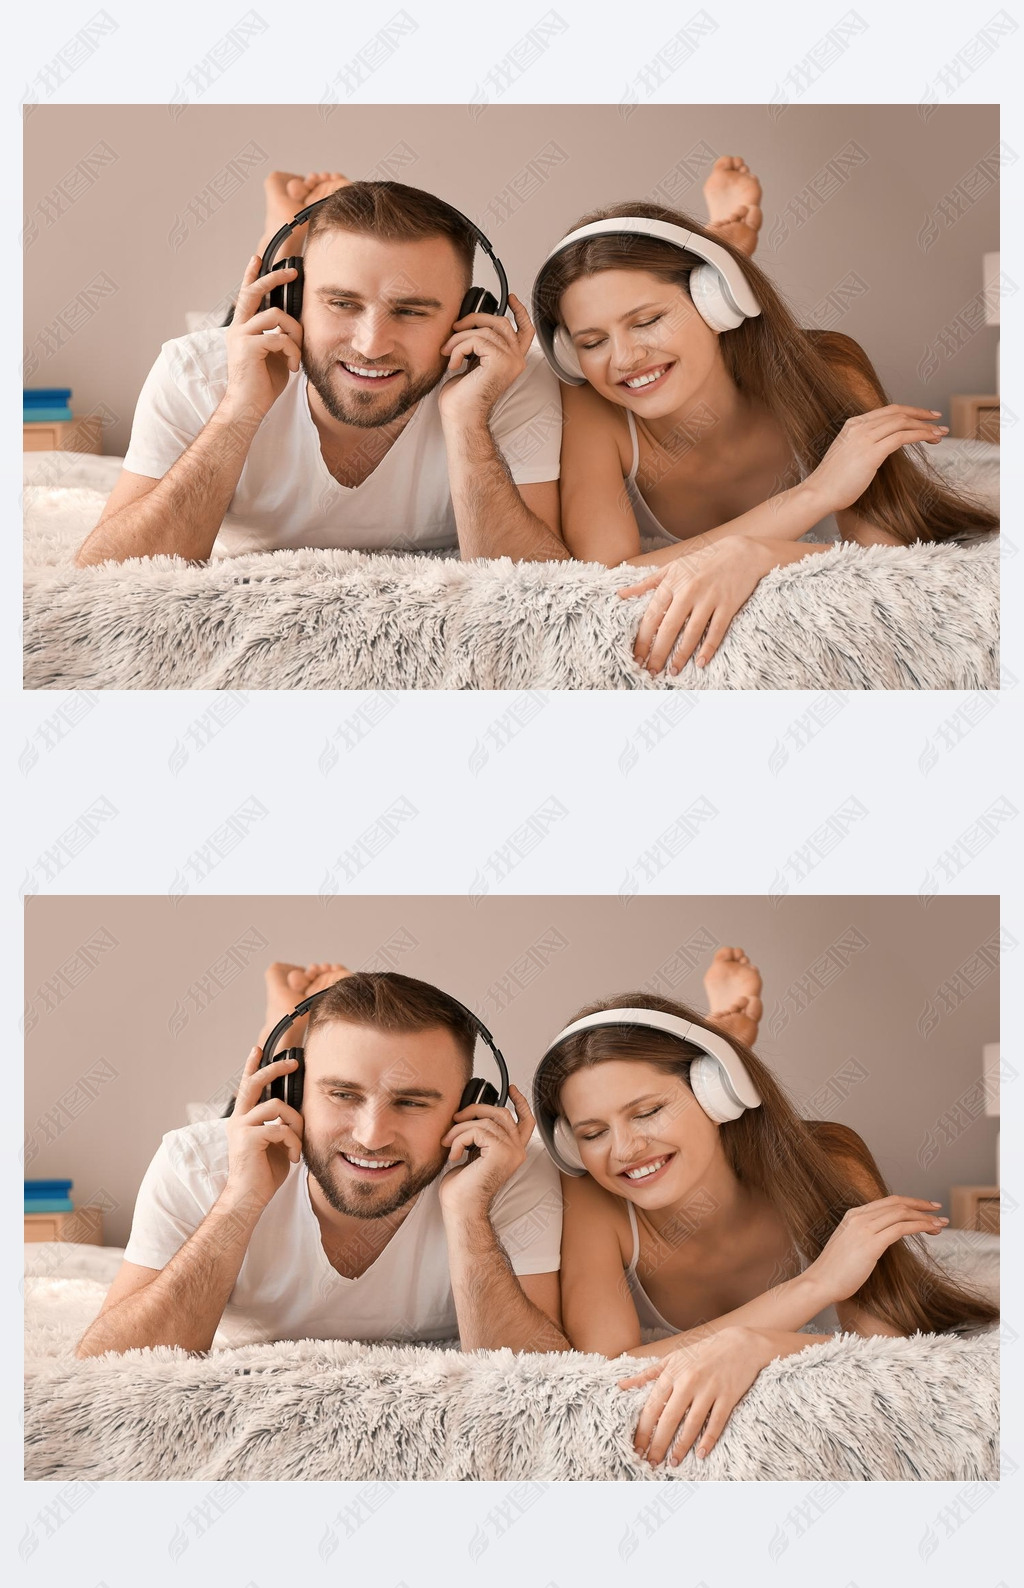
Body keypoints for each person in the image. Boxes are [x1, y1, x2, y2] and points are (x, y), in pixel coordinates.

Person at [531, 947, 998, 1467]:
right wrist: (809, 1289)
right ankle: (717, 1040)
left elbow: (886, 1351)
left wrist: (755, 1347)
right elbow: (607, 1370)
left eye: (648, 1111)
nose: (622, 1151)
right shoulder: (594, 1197)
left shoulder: (831, 1162)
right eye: (591, 1133)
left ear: (716, 1095)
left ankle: (725, 1043)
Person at [533, 158, 999, 674]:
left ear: (717, 304)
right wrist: (810, 498)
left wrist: (756, 556)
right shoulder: (592, 406)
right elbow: (607, 579)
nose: (622, 360)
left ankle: (725, 247)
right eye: (592, 342)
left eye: (648, 321)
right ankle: (719, 245)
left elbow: (886, 562)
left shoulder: (830, 370)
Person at [76, 969, 567, 1357]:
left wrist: (468, 1212)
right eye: (341, 1094)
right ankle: (280, 1026)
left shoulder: (510, 1172)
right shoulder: (194, 1163)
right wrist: (241, 1201)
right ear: (290, 1093)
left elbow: (538, 1374)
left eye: (413, 1103)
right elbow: (107, 1368)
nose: (371, 1136)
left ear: (472, 1105)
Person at [75, 180, 565, 568]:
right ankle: (280, 232)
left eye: (412, 312)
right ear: (289, 301)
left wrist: (467, 421)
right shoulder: (194, 372)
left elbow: (539, 583)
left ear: (471, 315)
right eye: (341, 303)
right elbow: (106, 575)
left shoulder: (508, 383)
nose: (371, 345)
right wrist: (239, 411)